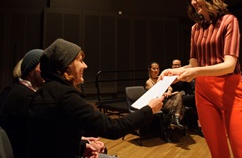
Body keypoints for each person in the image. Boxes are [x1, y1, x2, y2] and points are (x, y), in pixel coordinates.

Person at [160, 0, 242, 158]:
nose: (194, 2)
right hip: (204, 92)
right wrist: (174, 72)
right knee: (217, 151)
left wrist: (194, 72)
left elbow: (229, 65)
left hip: (231, 91)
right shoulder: (195, 29)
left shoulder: (229, 21)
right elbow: (194, 64)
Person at [25, 38, 164, 158]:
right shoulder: (65, 96)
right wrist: (149, 109)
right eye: (80, 61)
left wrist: (80, 146)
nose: (85, 65)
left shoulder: (45, 91)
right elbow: (113, 128)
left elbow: (54, 139)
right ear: (67, 68)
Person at [0, 49, 45, 158]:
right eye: (42, 66)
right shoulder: (25, 95)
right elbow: (41, 134)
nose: (47, 70)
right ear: (30, 71)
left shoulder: (23, 90)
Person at [145, 62, 184, 129]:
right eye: (154, 68)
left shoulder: (161, 78)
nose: (156, 70)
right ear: (150, 70)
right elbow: (157, 92)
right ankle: (174, 121)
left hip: (167, 100)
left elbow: (170, 88)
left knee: (179, 94)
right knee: (180, 105)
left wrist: (169, 92)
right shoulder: (149, 82)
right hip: (159, 103)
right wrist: (168, 94)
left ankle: (175, 118)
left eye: (157, 68)